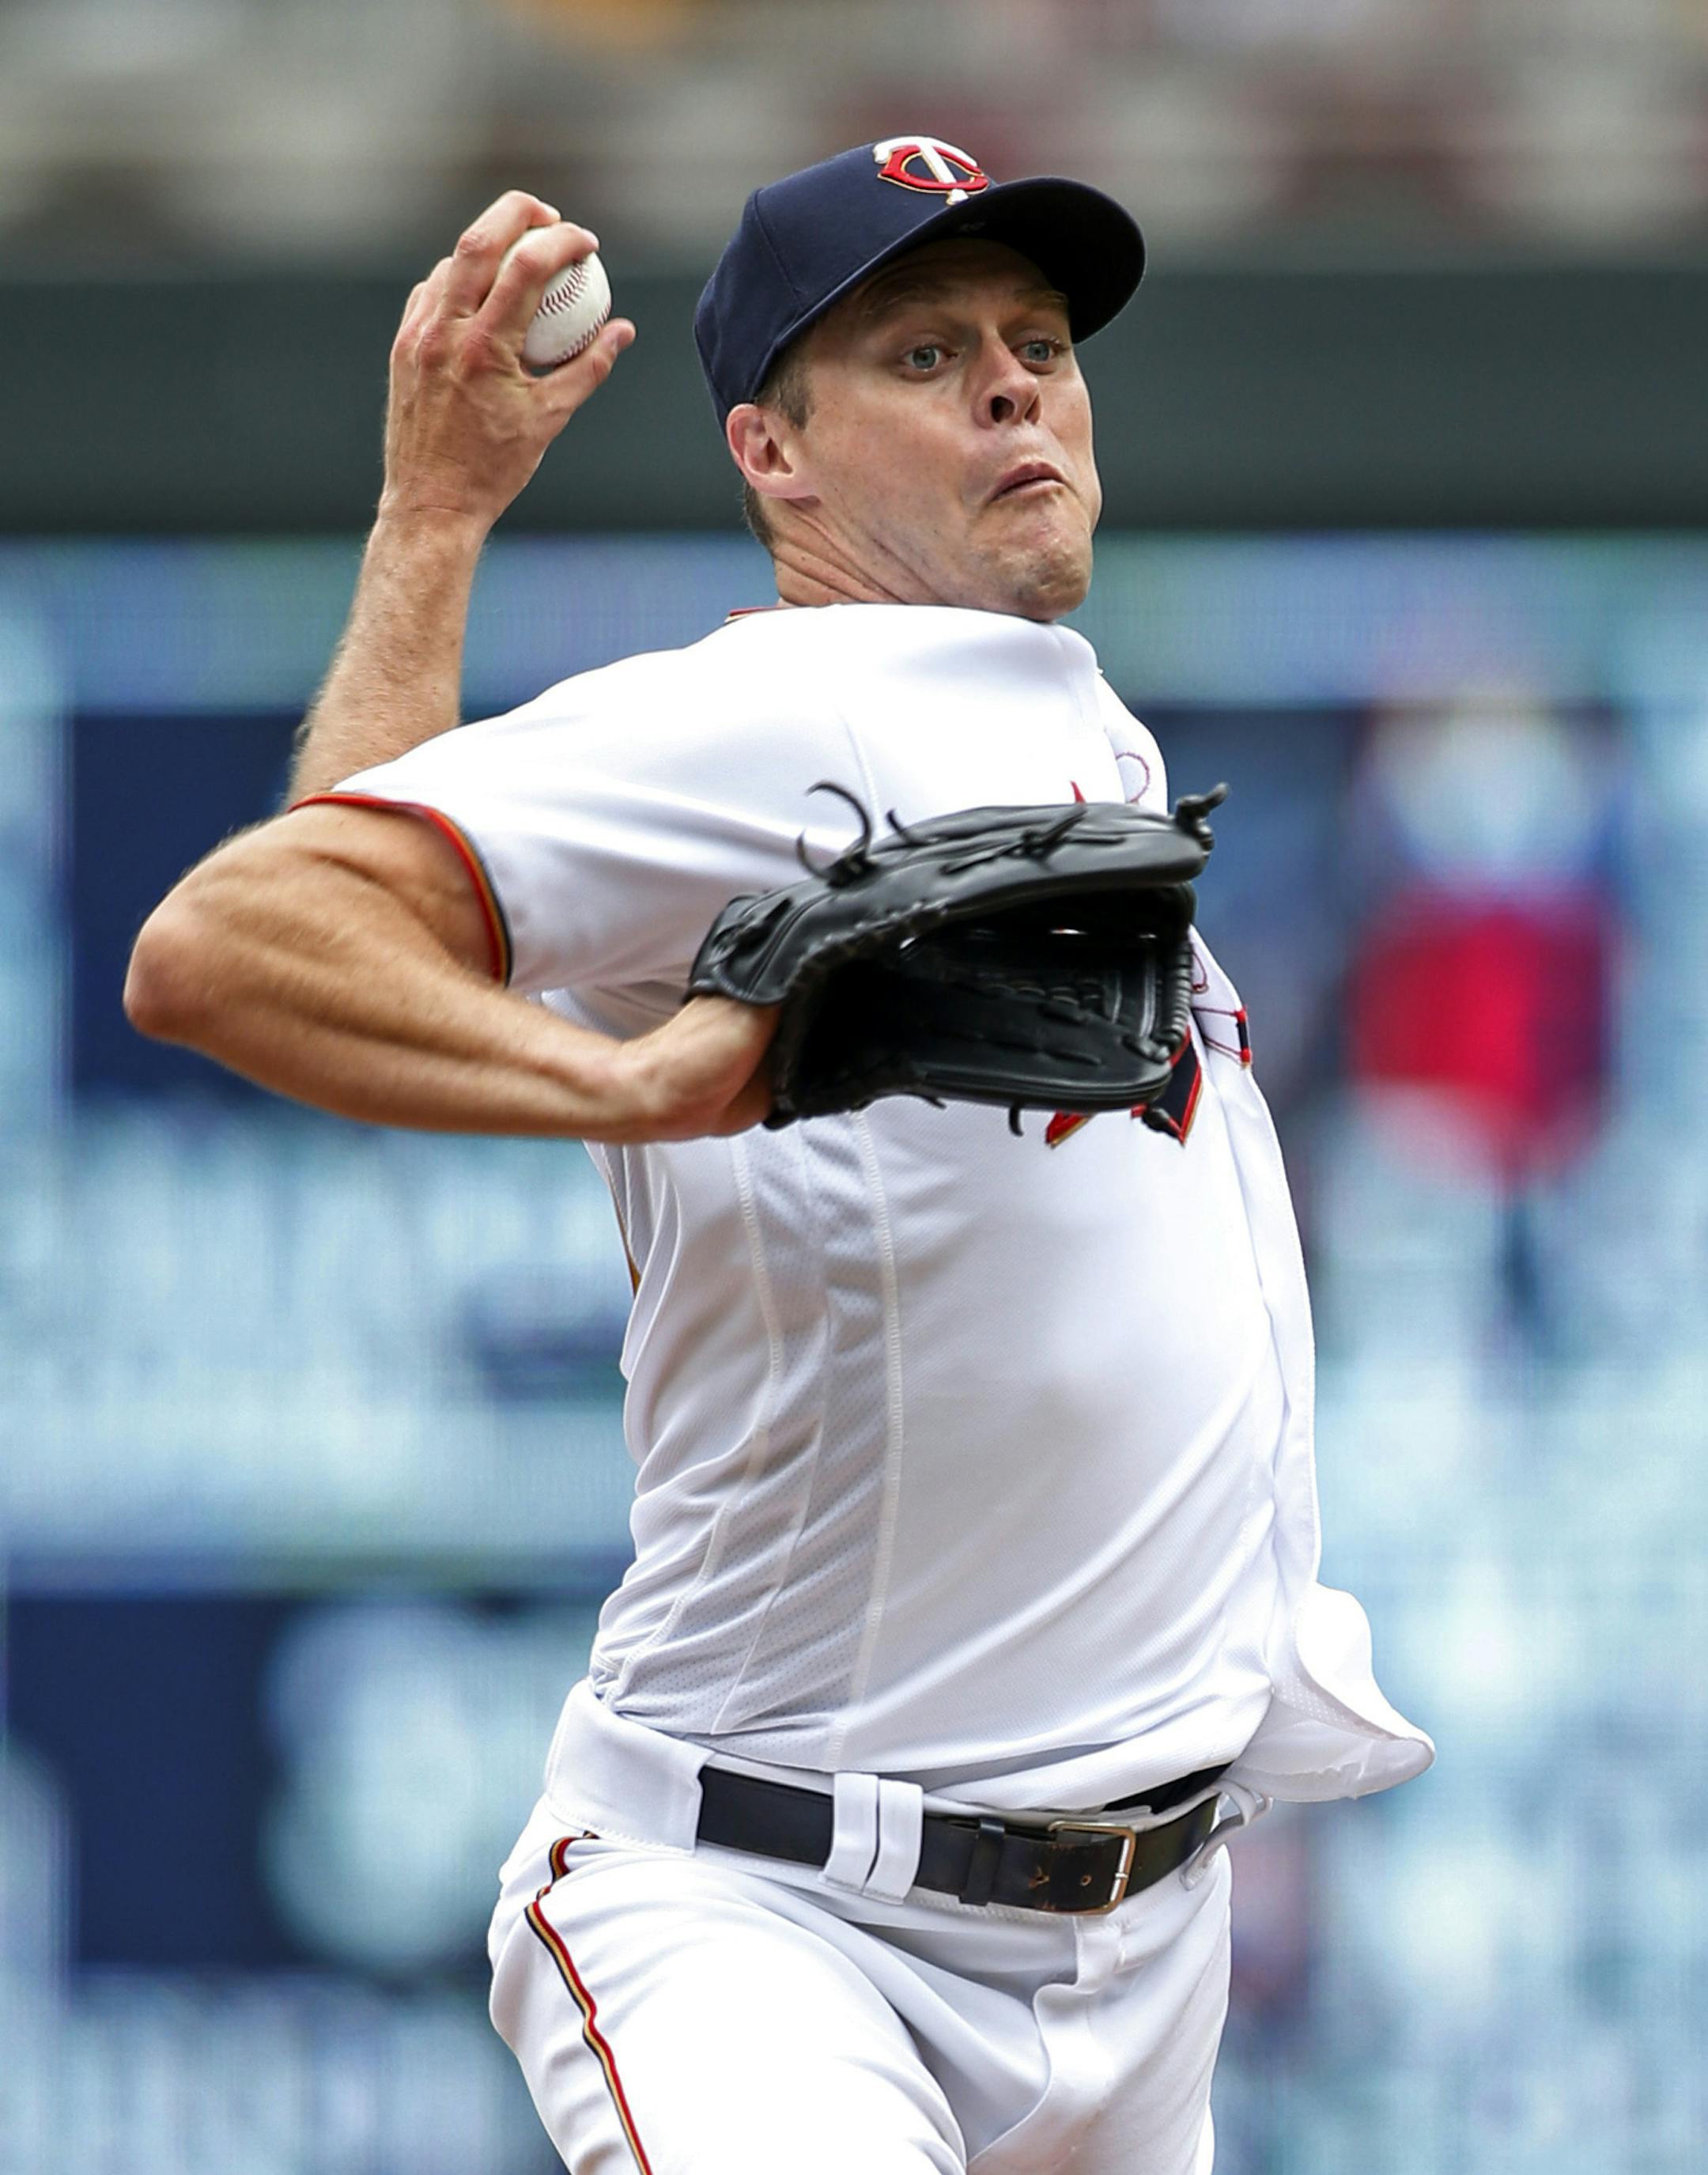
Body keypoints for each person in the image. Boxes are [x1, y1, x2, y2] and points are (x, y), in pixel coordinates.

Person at [127, 138, 1432, 2175]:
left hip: (1134, 1964)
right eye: (925, 353)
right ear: (774, 455)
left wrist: (436, 529)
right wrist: (627, 1090)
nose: (1016, 387)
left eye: (1039, 343)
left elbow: (395, 882)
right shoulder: (800, 714)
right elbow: (234, 941)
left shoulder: (1054, 727)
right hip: (782, 1922)